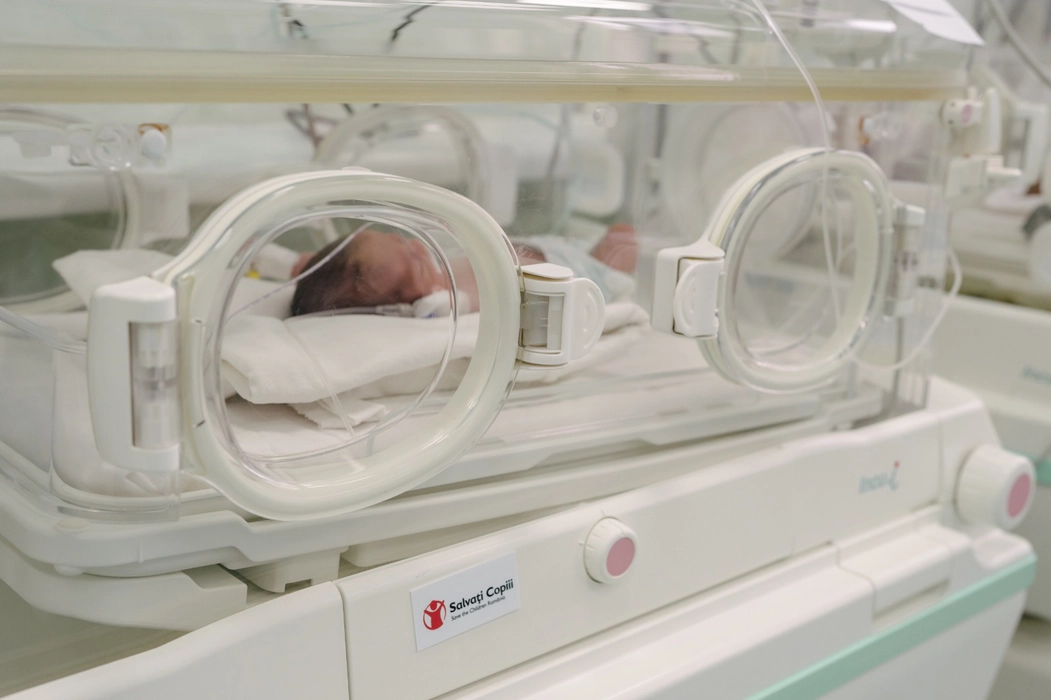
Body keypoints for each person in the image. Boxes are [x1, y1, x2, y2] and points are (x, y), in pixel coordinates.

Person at [290, 224, 637, 316]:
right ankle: (611, 260)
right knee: (623, 237)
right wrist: (457, 305)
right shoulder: (453, 300)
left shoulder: (434, 273)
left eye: (399, 239)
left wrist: (308, 267)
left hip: (538, 243)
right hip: (580, 270)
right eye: (414, 264)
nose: (417, 246)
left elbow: (332, 274)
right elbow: (504, 291)